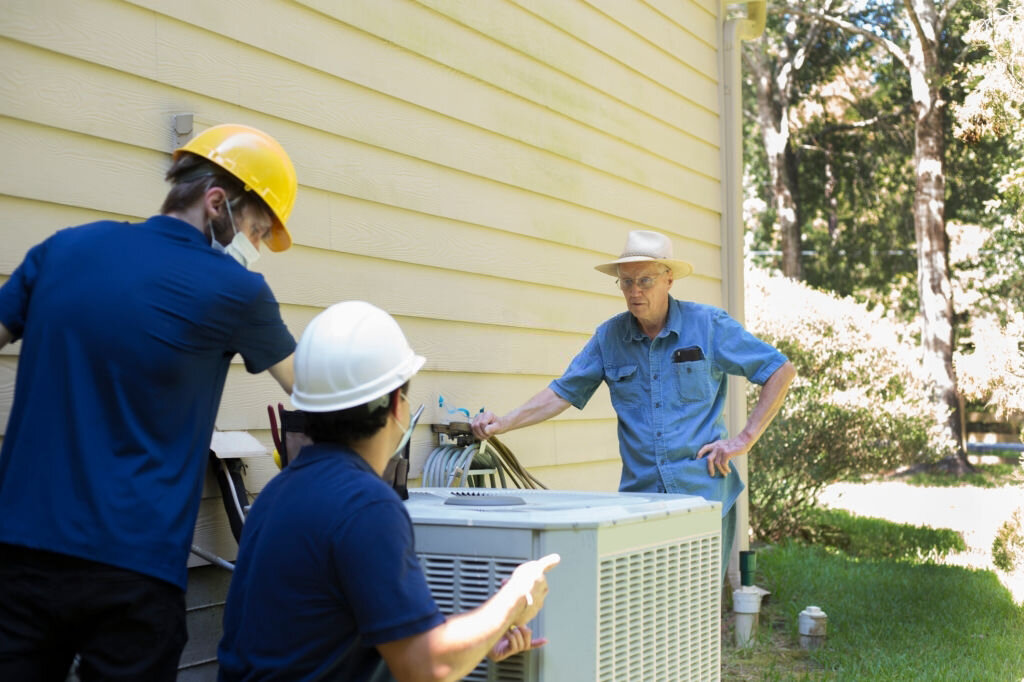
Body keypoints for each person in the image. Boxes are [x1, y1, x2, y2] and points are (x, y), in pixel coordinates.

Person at [0, 123, 300, 681]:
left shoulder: (62, 250)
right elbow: (316, 391)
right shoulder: (237, 291)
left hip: (18, 551)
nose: (255, 250)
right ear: (217, 204)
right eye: (256, 232)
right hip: (134, 572)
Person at [218, 301, 559, 682]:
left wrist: (483, 637)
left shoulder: (280, 491)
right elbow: (427, 666)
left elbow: (327, 633)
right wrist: (514, 601)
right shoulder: (366, 504)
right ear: (397, 405)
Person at [471, 230, 795, 581]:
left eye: (645, 280)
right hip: (640, 504)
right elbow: (561, 392)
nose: (634, 291)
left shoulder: (709, 326)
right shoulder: (609, 338)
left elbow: (780, 370)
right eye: (626, 282)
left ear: (668, 280)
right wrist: (503, 423)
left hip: (702, 496)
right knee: (643, 614)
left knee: (696, 614)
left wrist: (743, 439)